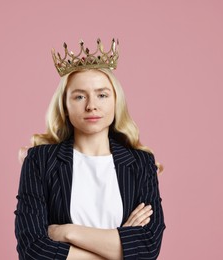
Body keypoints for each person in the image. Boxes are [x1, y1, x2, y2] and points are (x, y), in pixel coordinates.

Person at [14, 38, 165, 259]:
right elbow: (32, 250)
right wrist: (118, 247)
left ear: (116, 102)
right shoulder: (40, 160)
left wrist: (66, 232)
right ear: (65, 106)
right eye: (79, 96)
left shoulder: (140, 163)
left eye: (102, 95)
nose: (91, 105)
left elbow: (148, 248)